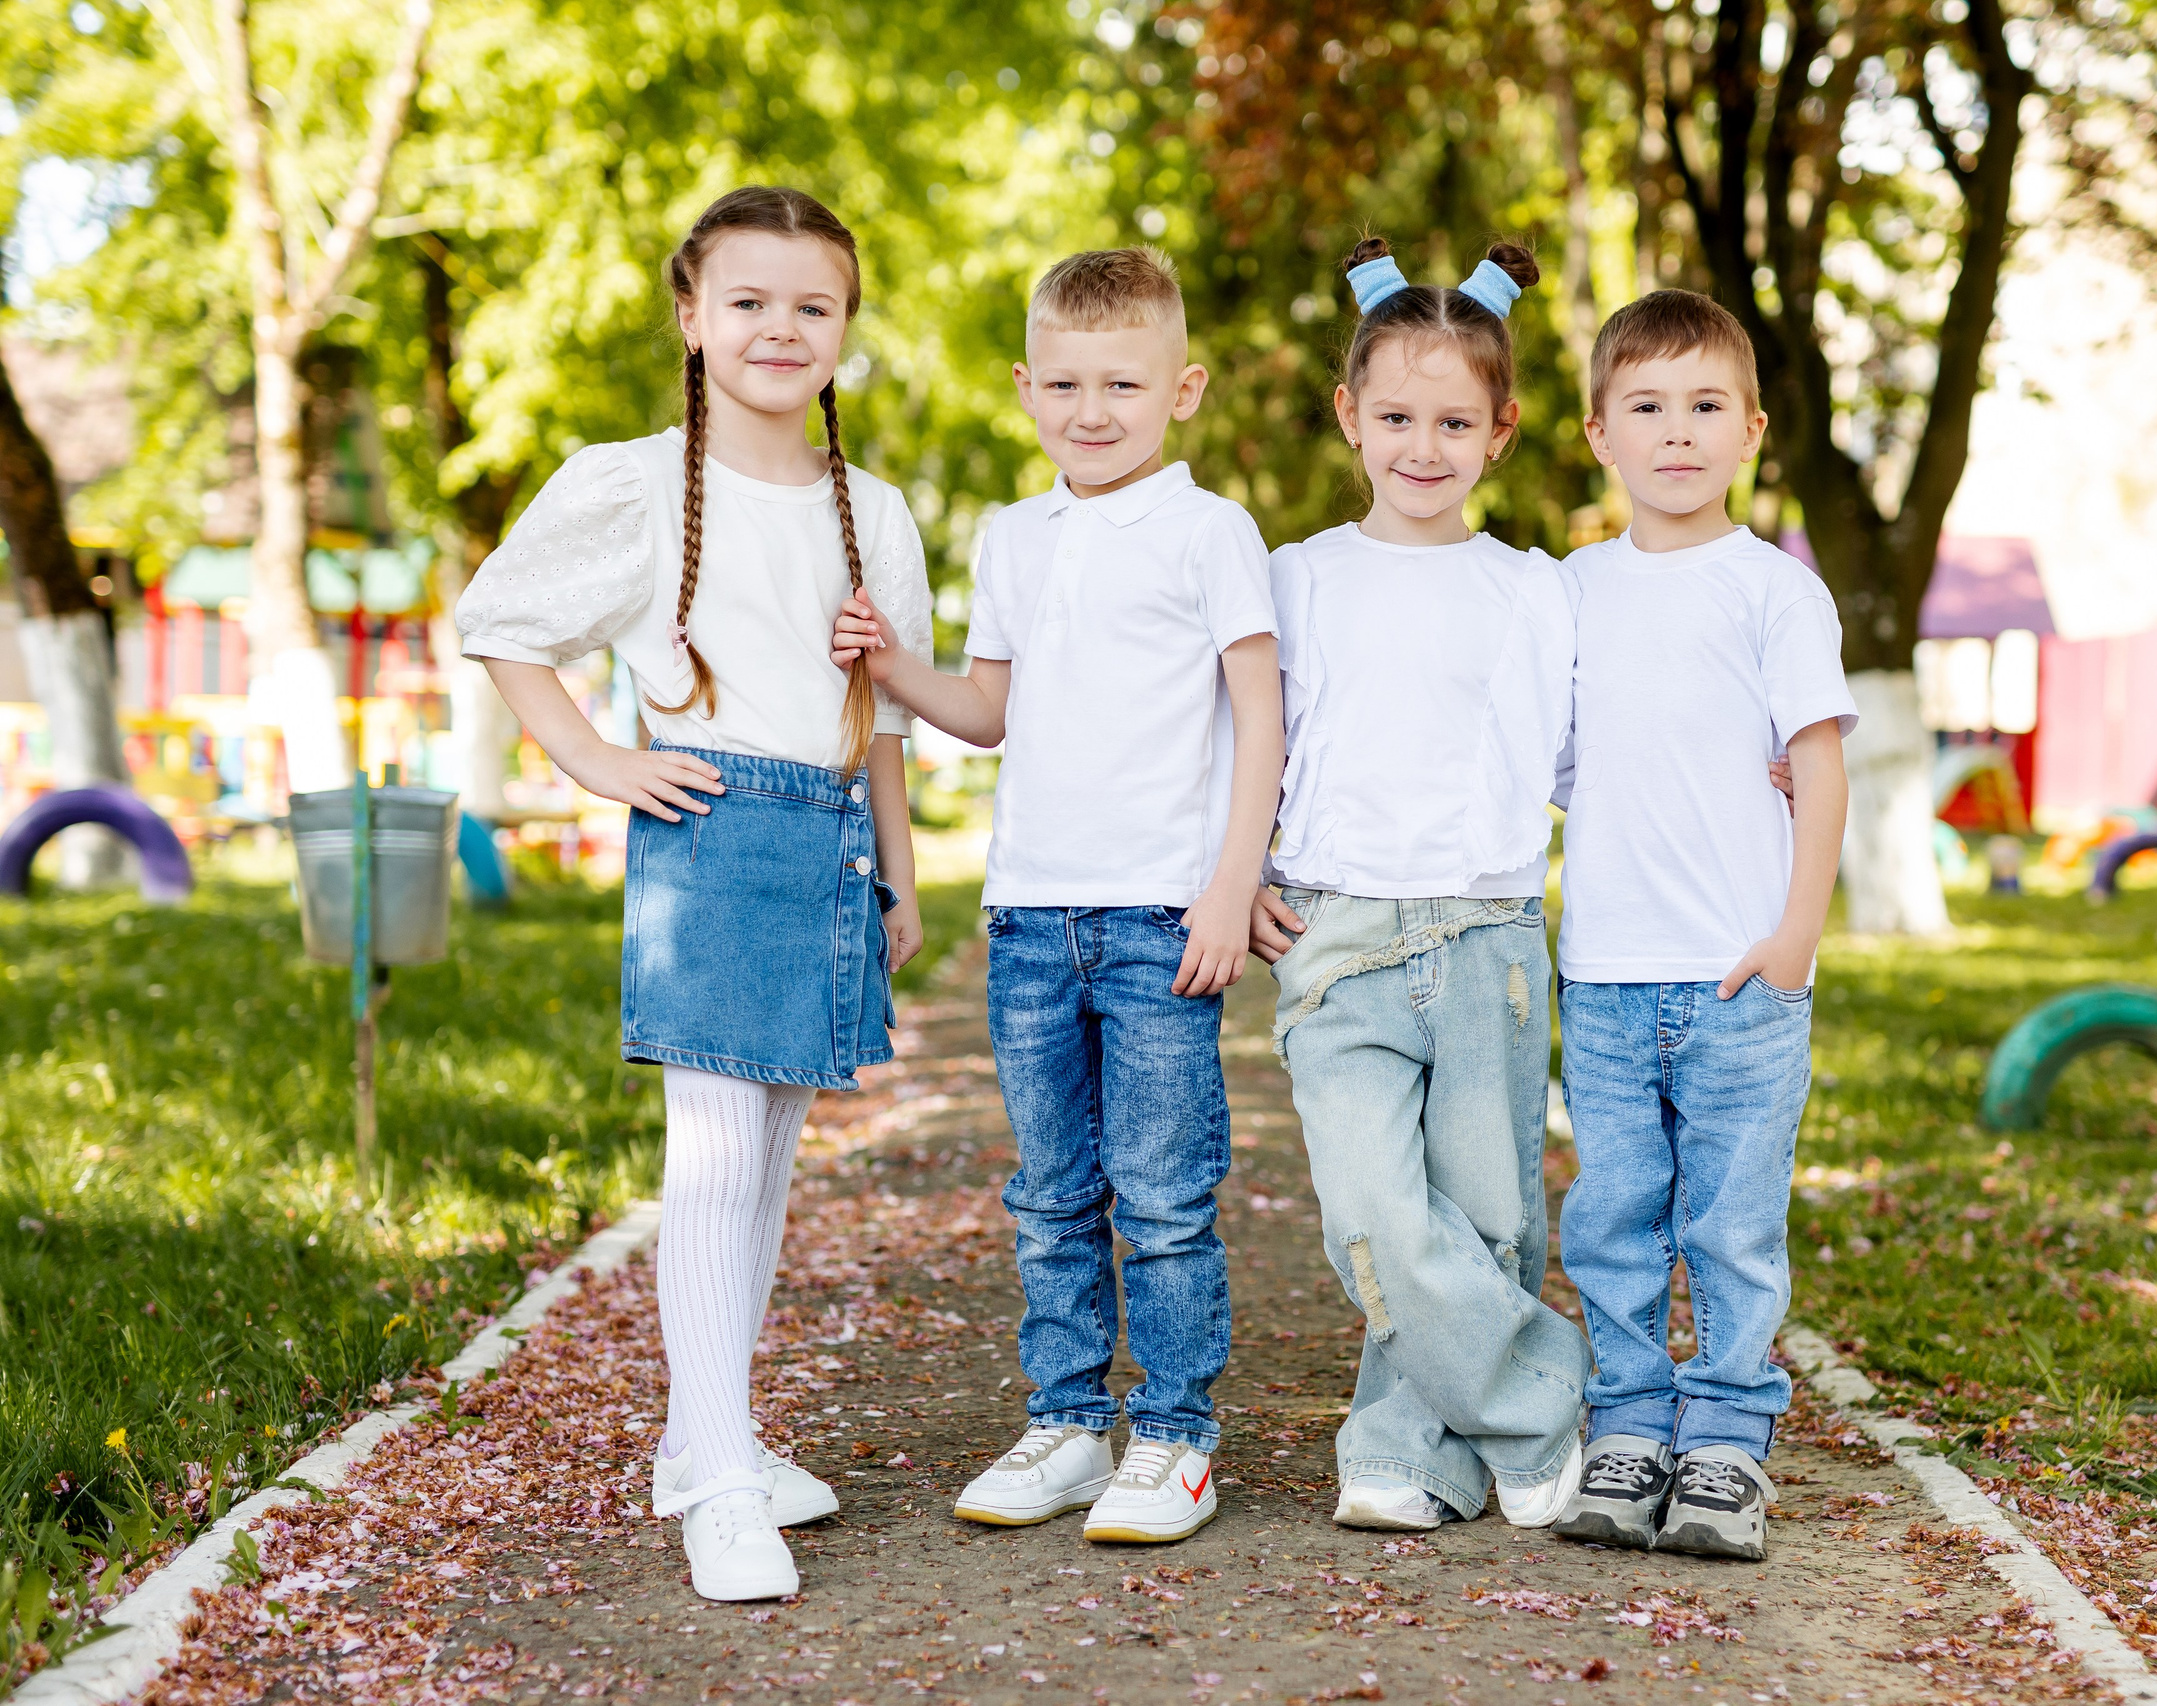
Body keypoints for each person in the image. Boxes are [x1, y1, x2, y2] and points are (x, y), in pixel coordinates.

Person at [457, 186, 931, 1602]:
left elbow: (888, 713)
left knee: (774, 1151)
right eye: (749, 301)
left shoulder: (877, 508)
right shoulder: (638, 483)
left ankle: (702, 1435)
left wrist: (898, 868)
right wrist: (601, 758)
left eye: (812, 305)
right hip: (714, 829)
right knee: (715, 1152)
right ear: (692, 315)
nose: (780, 327)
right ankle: (722, 1484)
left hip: (831, 837)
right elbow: (503, 619)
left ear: (845, 325)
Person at [831, 247, 1283, 1545]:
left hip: (1157, 918)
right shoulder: (1014, 535)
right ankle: (1072, 1421)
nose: (1095, 410)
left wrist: (1227, 883)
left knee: (1162, 1189)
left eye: (1125, 385)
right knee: (1050, 1188)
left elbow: (1261, 718)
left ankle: (1178, 1435)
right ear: (1028, 387)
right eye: (1069, 384)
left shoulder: (1210, 532)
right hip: (1032, 918)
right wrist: (892, 663)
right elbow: (987, 712)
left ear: (1181, 388)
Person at [1239, 236, 1589, 1534]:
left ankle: (1407, 1444)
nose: (1423, 445)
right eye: (1396, 415)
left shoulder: (1534, 590)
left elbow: (1573, 760)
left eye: (1454, 420)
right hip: (1336, 934)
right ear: (1351, 415)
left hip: (1488, 931)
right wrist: (1237, 875)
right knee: (1378, 1214)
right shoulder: (1298, 576)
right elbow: (1248, 745)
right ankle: (1541, 1399)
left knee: (1486, 1215)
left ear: (1499, 430)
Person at [1547, 289, 1853, 1558]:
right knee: (1613, 1213)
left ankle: (1725, 1441)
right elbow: (1543, 760)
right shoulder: (1566, 590)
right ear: (1598, 433)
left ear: (1753, 431)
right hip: (1607, 971)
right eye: (1647, 407)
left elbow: (1820, 764)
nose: (1678, 432)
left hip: (1740, 974)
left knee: (1730, 1220)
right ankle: (1627, 1425)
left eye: (1705, 406)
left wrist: (1797, 934)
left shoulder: (1775, 592)